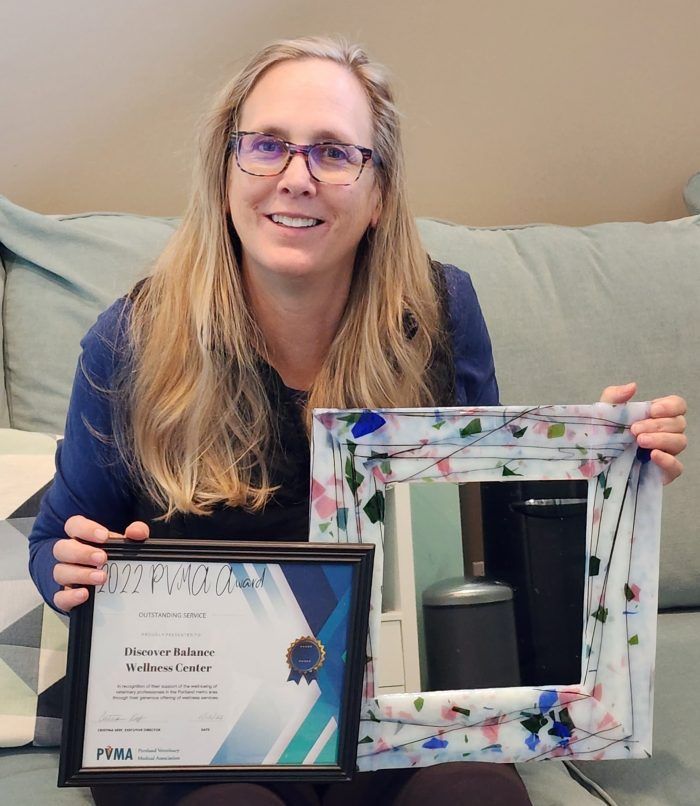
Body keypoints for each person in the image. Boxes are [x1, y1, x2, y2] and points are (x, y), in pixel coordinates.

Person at [28, 35, 687, 806]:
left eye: (335, 153)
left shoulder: (439, 314)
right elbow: (54, 545)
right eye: (267, 145)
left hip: (390, 699)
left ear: (377, 194)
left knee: (474, 798)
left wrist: (594, 466)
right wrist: (71, 570)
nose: (296, 178)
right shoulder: (132, 340)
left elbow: (489, 529)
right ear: (224, 172)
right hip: (203, 714)